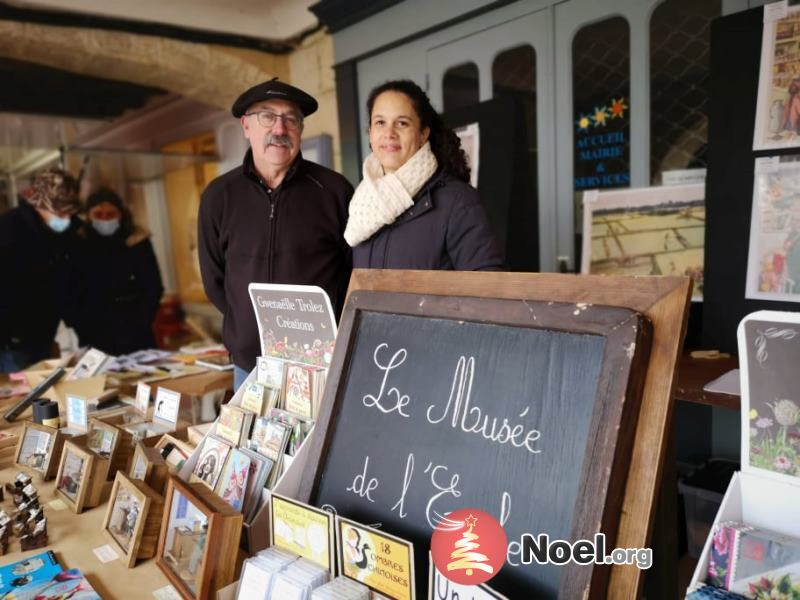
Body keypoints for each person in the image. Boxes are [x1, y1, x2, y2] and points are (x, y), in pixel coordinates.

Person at [198, 78, 353, 391]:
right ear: (246, 126)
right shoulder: (219, 196)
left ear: (300, 130)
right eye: (267, 117)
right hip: (248, 368)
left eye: (291, 119)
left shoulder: (335, 191)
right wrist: (246, 328)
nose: (279, 129)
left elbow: (353, 274)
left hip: (319, 367)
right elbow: (215, 280)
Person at [344, 79, 504, 271]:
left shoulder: (458, 201)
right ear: (370, 133)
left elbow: (488, 288)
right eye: (380, 122)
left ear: (423, 134)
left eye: (402, 123)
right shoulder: (362, 204)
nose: (389, 133)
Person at [0, 169, 83, 372]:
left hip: (44, 333)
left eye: (70, 213)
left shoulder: (67, 232)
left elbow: (66, 281)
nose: (66, 219)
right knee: (22, 399)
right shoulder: (9, 229)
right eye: (60, 212)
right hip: (12, 340)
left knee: (44, 394)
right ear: (41, 204)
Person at [72, 188, 163, 355]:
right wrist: (84, 329)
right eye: (98, 215)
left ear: (121, 215)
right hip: (96, 331)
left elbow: (153, 286)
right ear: (88, 216)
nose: (105, 219)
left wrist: (143, 320)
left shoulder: (137, 240)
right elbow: (72, 291)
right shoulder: (79, 243)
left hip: (136, 328)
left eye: (110, 214)